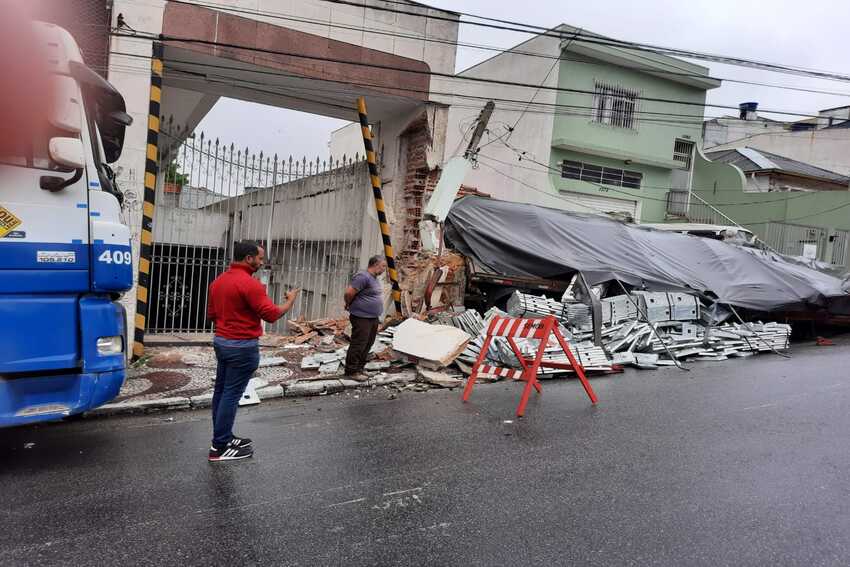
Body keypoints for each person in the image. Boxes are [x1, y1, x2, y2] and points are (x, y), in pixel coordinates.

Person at [206, 240, 299, 462]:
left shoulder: (218, 282)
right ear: (248, 258)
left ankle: (223, 437)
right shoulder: (250, 284)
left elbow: (211, 315)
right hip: (242, 346)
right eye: (259, 258)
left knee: (221, 392)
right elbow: (272, 314)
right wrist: (290, 301)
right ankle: (219, 447)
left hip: (222, 342)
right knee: (231, 394)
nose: (261, 262)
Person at [343, 255, 387, 379]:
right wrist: (348, 303)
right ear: (375, 264)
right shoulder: (363, 277)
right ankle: (351, 371)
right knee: (359, 343)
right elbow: (349, 292)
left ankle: (359, 368)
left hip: (372, 317)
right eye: (383, 266)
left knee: (368, 343)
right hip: (361, 317)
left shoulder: (374, 279)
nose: (384, 269)